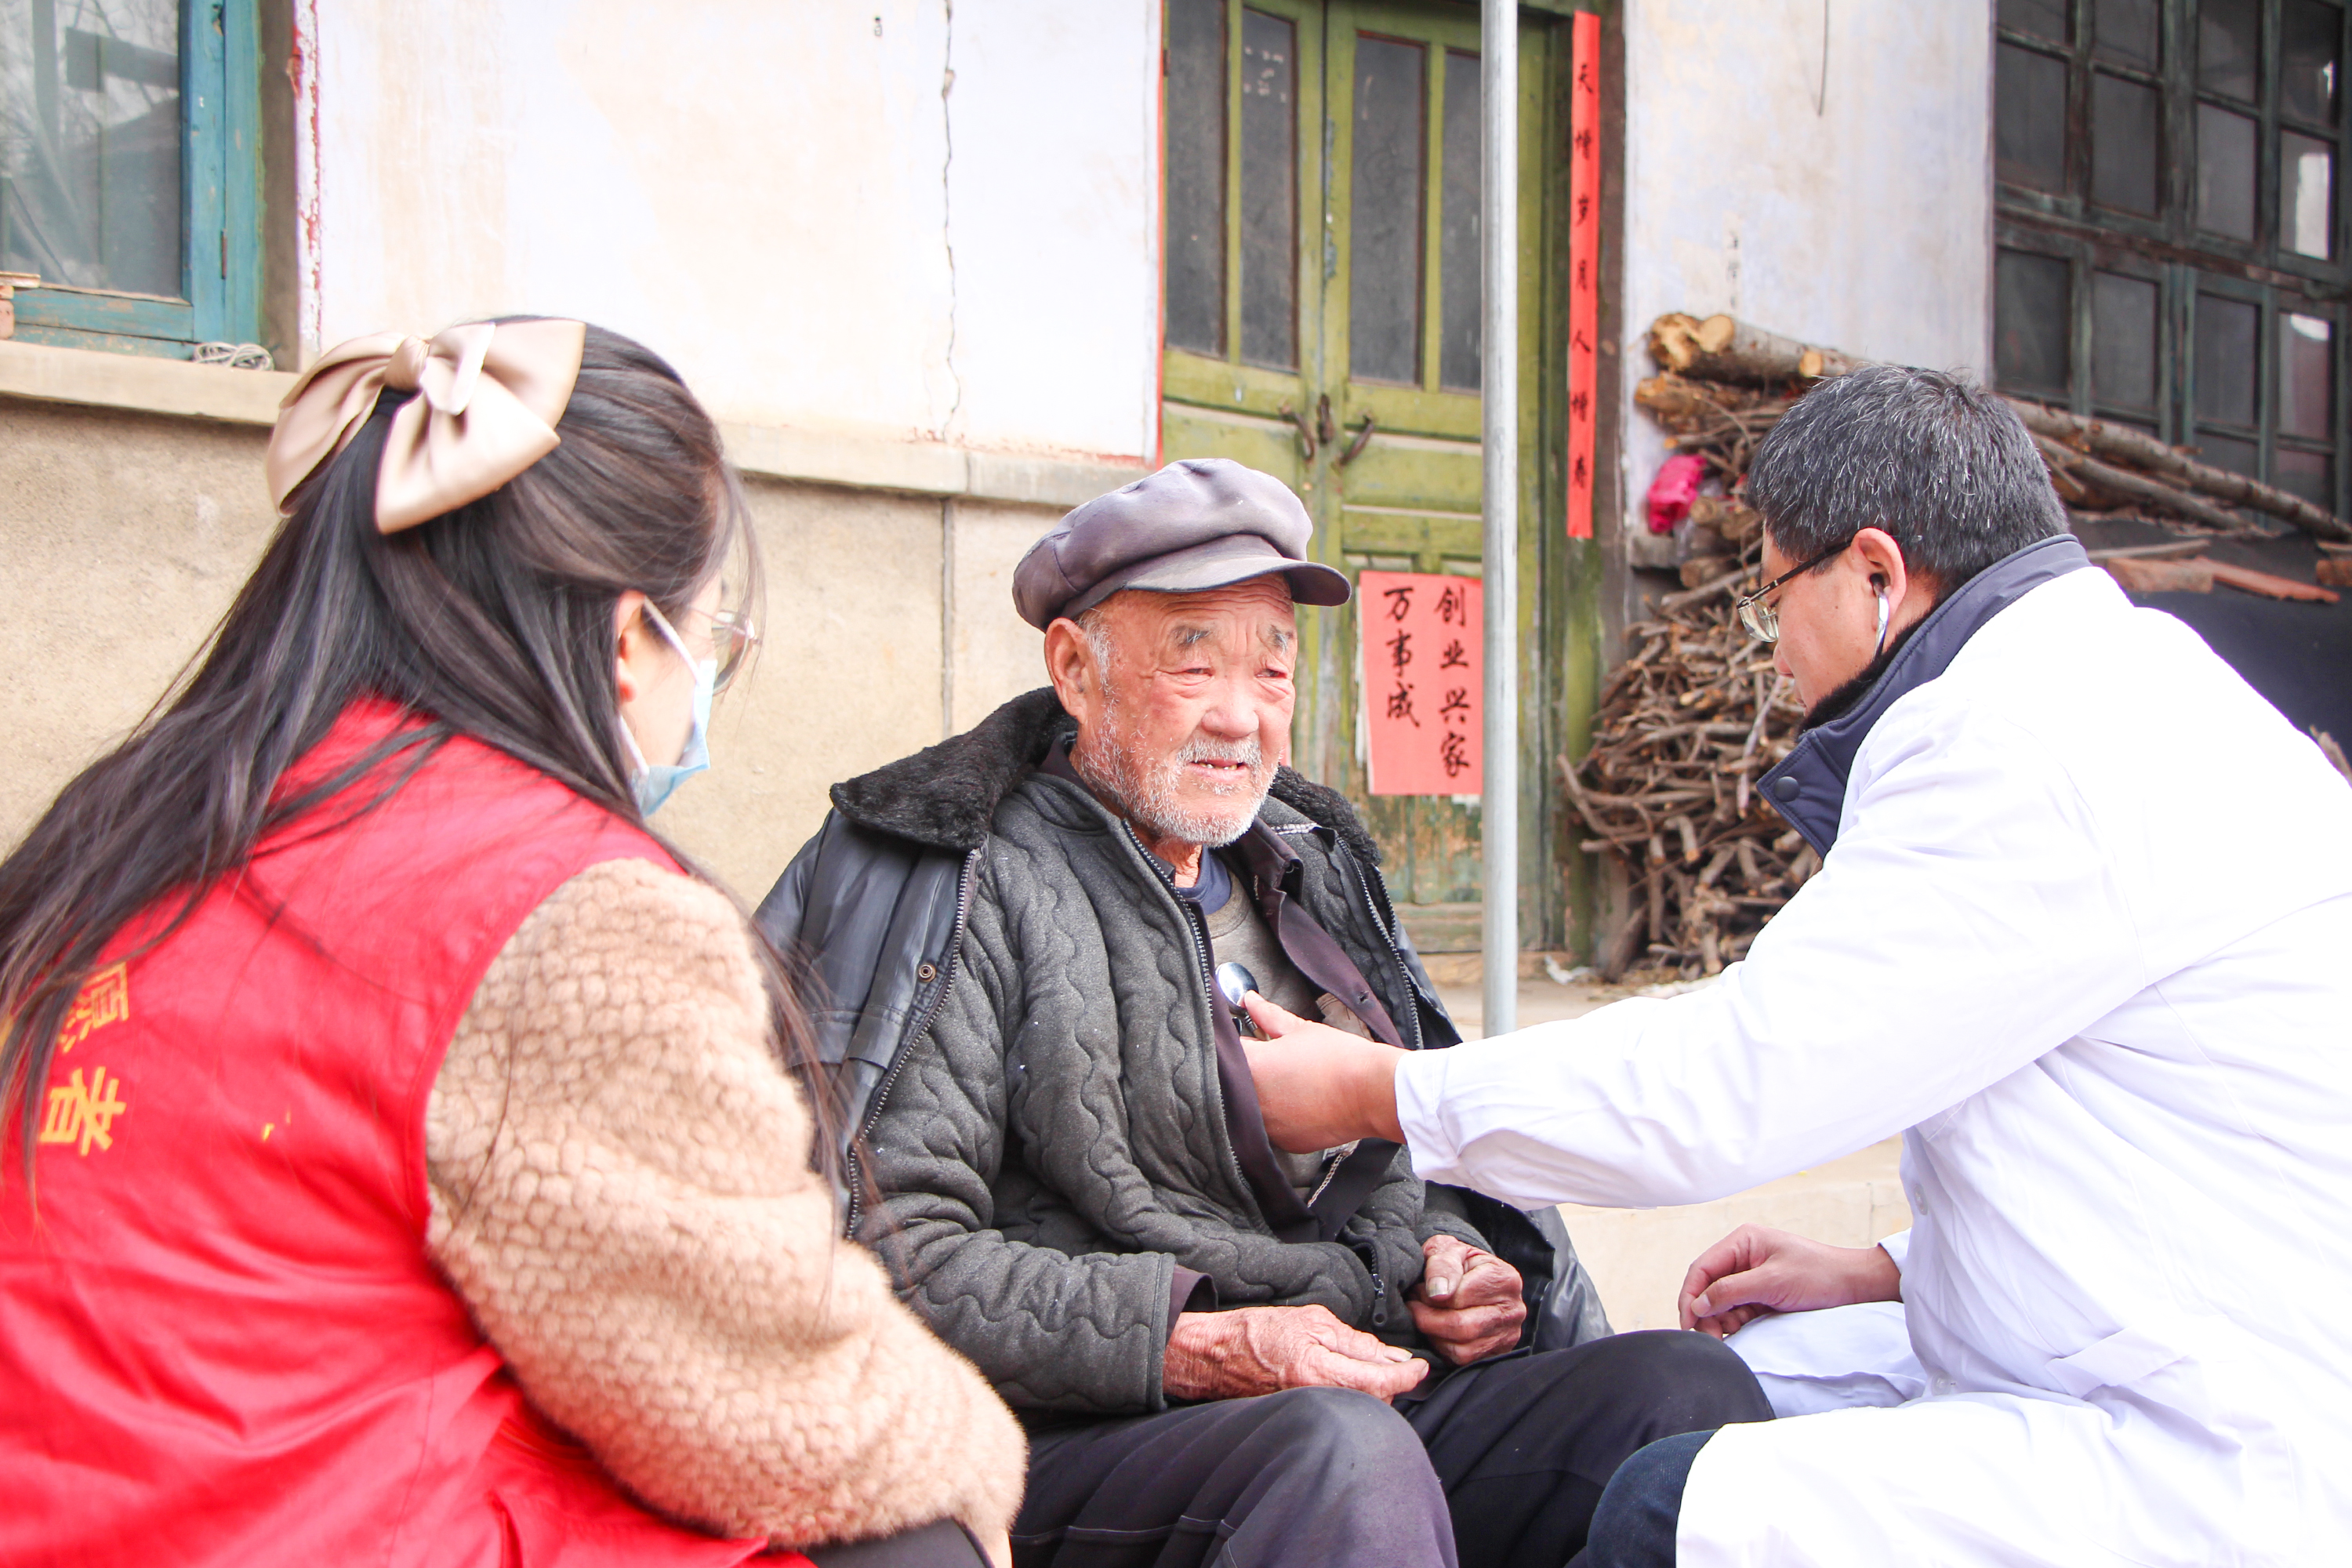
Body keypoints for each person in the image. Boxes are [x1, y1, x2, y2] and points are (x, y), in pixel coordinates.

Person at [1240, 366, 2352, 1566]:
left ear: (1876, 576)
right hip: (2195, 1325)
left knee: (1671, 1506)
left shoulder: (2018, 744)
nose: (1774, 654)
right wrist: (1893, 1269)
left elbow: (1733, 1077)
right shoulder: (2130, 679)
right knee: (1715, 1382)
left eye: (1775, 593)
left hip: (2218, 1437)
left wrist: (1382, 1093)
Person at [0, 321, 1024, 1568]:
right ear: (630, 640)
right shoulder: (565, 909)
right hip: (297, 1523)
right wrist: (978, 1451)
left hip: (83, 1498)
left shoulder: (131, 824)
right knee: (911, 1537)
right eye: (712, 636)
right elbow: (758, 1387)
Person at [758, 458, 1769, 1568]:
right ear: (1075, 670)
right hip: (1089, 1431)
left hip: (1345, 1377)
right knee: (1342, 1455)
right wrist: (1197, 1343)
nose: (1240, 717)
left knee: (1683, 1395)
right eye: (1193, 663)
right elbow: (898, 1253)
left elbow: (1403, 1154)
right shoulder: (972, 884)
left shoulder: (1306, 863)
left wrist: (1445, 1257)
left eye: (1273, 669)